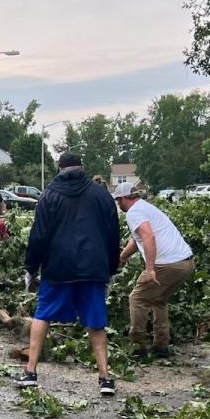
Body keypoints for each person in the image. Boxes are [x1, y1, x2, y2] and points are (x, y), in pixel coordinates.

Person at [17, 153, 121, 395]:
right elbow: (112, 233)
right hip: (93, 268)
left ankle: (30, 371)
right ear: (82, 168)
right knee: (96, 322)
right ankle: (105, 378)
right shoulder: (101, 194)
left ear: (59, 168)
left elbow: (39, 234)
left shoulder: (49, 195)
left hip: (58, 267)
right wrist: (111, 267)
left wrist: (31, 267)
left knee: (43, 315)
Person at [113, 182, 194, 357]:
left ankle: (138, 346)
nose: (118, 205)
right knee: (159, 299)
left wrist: (150, 269)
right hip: (185, 263)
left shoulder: (134, 212)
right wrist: (123, 257)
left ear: (124, 199)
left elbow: (148, 236)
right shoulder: (145, 208)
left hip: (167, 264)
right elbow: (137, 239)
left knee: (137, 298)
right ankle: (161, 346)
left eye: (118, 201)